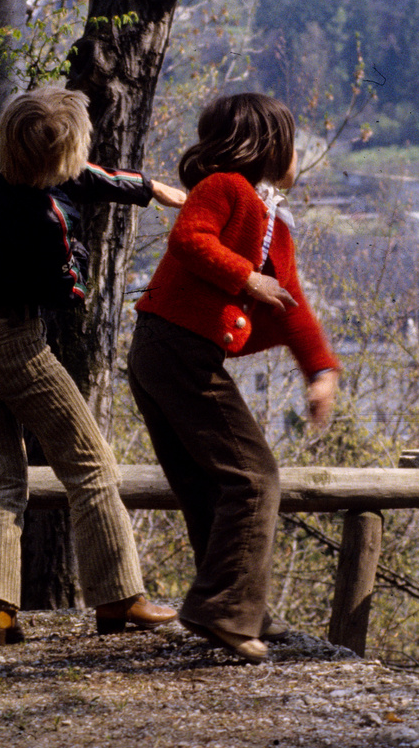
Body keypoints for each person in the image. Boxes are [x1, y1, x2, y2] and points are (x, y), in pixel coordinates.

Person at [0, 85, 186, 647]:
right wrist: (76, 254)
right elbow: (69, 292)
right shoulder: (48, 217)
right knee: (94, 468)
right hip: (15, 345)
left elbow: (80, 174)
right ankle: (119, 597)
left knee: (1, 481)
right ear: (61, 160)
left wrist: (147, 188)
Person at [128, 92, 339, 661]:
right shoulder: (224, 189)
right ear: (270, 147)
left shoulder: (274, 222)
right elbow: (189, 239)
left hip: (165, 350)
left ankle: (234, 608)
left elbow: (290, 304)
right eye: (293, 142)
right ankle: (224, 609)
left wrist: (319, 369)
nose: (299, 155)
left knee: (210, 483)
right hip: (176, 349)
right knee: (254, 476)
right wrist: (247, 279)